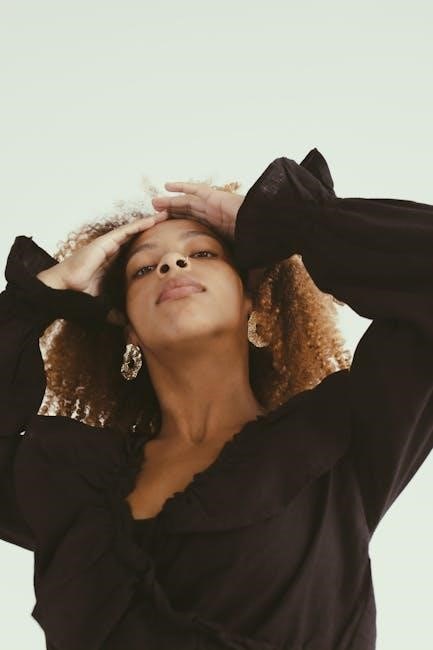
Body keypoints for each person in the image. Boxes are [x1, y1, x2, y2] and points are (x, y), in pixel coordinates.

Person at [0, 147, 432, 649]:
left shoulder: (338, 437)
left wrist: (293, 220)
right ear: (127, 327)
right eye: (143, 269)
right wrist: (38, 295)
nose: (172, 263)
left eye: (203, 253)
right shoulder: (73, 480)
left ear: (251, 299)